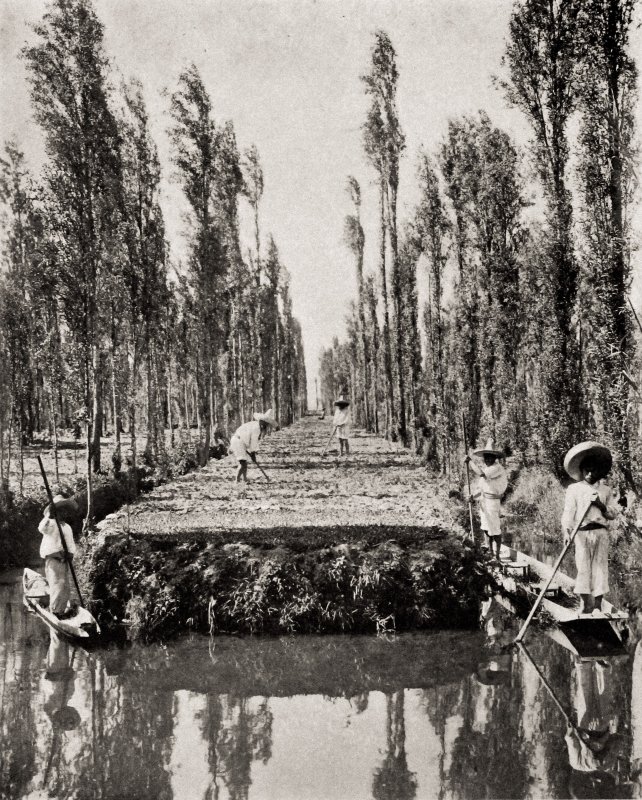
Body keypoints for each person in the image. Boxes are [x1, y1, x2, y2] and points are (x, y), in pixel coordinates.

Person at [562, 441, 619, 615]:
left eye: (593, 470)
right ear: (581, 470)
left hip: (600, 532)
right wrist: (566, 531)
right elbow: (568, 513)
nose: (589, 473)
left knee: (600, 568)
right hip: (581, 533)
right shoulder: (574, 489)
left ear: (598, 471)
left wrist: (600, 505)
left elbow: (613, 513)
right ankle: (584, 605)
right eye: (586, 469)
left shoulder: (606, 490)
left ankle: (597, 607)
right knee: (583, 568)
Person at [465, 439, 508, 559]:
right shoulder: (487, 468)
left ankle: (498, 556)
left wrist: (470, 462)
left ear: (495, 458)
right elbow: (482, 489)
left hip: (493, 503)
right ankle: (490, 552)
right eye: (486, 457)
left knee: (495, 529)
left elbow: (481, 474)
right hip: (484, 502)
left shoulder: (496, 468)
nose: (488, 459)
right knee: (486, 527)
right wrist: (473, 497)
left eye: (490, 457)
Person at [38, 494, 78, 618]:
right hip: (53, 559)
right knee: (57, 585)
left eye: (65, 511)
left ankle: (61, 610)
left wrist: (70, 554)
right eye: (60, 510)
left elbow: (71, 545)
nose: (64, 513)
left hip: (64, 560)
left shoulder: (67, 527)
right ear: (56, 512)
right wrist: (49, 517)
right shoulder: (51, 524)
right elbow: (41, 528)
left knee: (65, 586)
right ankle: (55, 612)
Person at [230, 409, 277, 484]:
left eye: (267, 424)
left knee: (244, 462)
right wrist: (253, 453)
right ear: (262, 421)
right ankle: (237, 480)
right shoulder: (256, 428)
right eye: (266, 423)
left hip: (240, 441)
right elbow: (253, 442)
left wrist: (252, 453)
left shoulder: (255, 425)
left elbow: (250, 440)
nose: (266, 425)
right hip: (238, 441)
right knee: (242, 463)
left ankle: (244, 479)